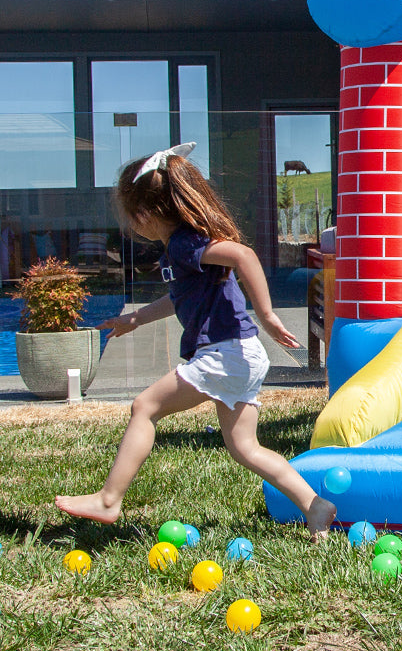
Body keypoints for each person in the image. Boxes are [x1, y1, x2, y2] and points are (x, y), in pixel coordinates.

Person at [54, 143, 336, 538]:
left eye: (132, 218)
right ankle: (315, 505)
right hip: (238, 353)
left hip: (226, 351)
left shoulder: (186, 243)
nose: (133, 226)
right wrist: (136, 317)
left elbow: (244, 256)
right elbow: (178, 297)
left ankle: (108, 499)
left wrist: (268, 315)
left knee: (144, 407)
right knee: (245, 448)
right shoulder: (179, 250)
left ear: (146, 214)